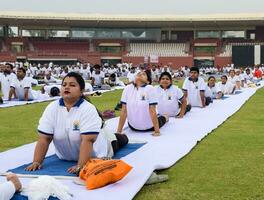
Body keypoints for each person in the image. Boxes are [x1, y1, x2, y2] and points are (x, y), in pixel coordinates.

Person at [25, 72, 128, 174]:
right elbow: (44, 138)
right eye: (64, 85)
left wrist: (81, 165)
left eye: (72, 85)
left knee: (120, 139)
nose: (67, 87)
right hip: (65, 157)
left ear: (81, 90)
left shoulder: (88, 109)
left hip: (100, 149)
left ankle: (121, 136)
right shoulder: (52, 108)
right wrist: (36, 161)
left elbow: (87, 140)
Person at [117, 71, 168, 137]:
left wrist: (157, 131)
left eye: (143, 74)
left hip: (150, 126)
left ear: (148, 81)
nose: (140, 75)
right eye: (139, 74)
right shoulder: (127, 88)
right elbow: (124, 111)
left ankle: (166, 116)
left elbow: (152, 111)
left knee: (164, 117)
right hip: (133, 127)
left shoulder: (150, 88)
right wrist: (119, 131)